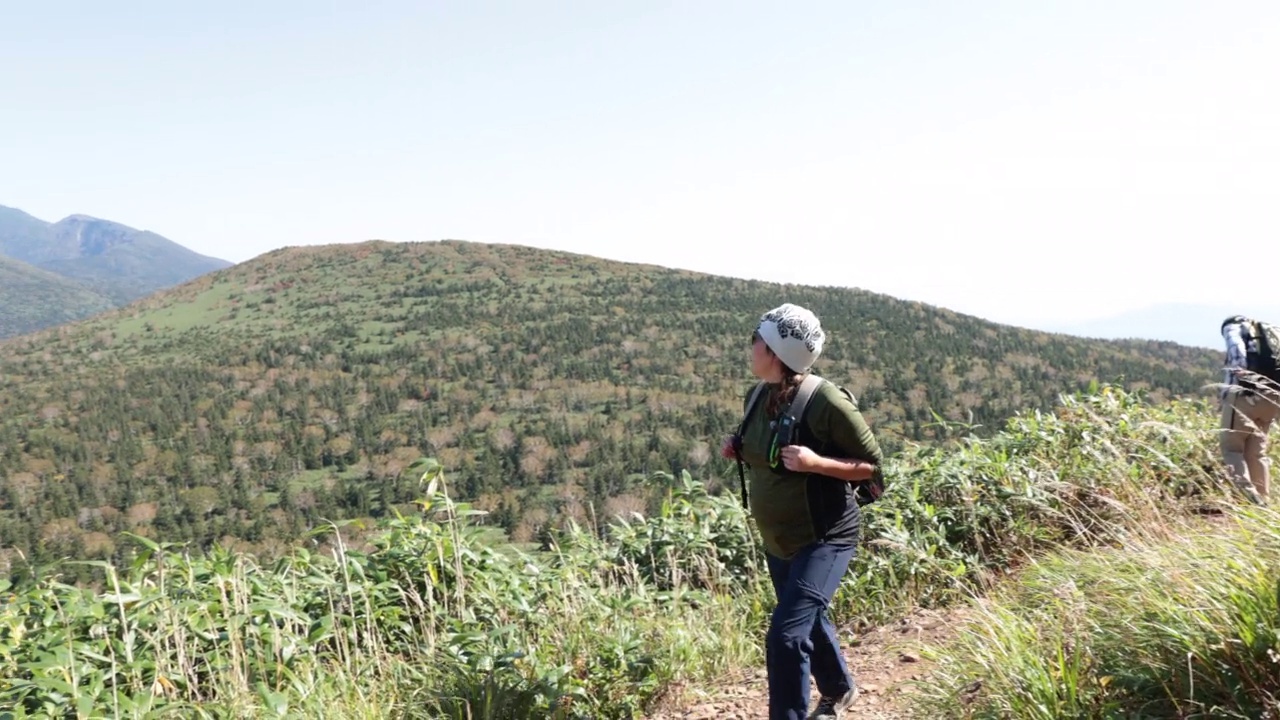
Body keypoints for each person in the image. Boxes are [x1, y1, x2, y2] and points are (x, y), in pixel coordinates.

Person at [719, 303, 884, 720]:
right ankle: (840, 690)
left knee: (786, 637)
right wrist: (739, 449)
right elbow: (769, 450)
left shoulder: (825, 400)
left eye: (756, 339)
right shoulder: (757, 394)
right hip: (781, 540)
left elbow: (874, 468)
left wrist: (817, 463)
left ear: (774, 352)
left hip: (825, 536)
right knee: (806, 619)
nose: (751, 346)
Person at [1219, 315, 1280, 505]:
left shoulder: (1233, 328)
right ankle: (1263, 503)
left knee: (1231, 448)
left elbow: (1237, 355)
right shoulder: (1268, 331)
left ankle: (1250, 500)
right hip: (1273, 396)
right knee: (1256, 452)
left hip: (1247, 396)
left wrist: (1230, 391)